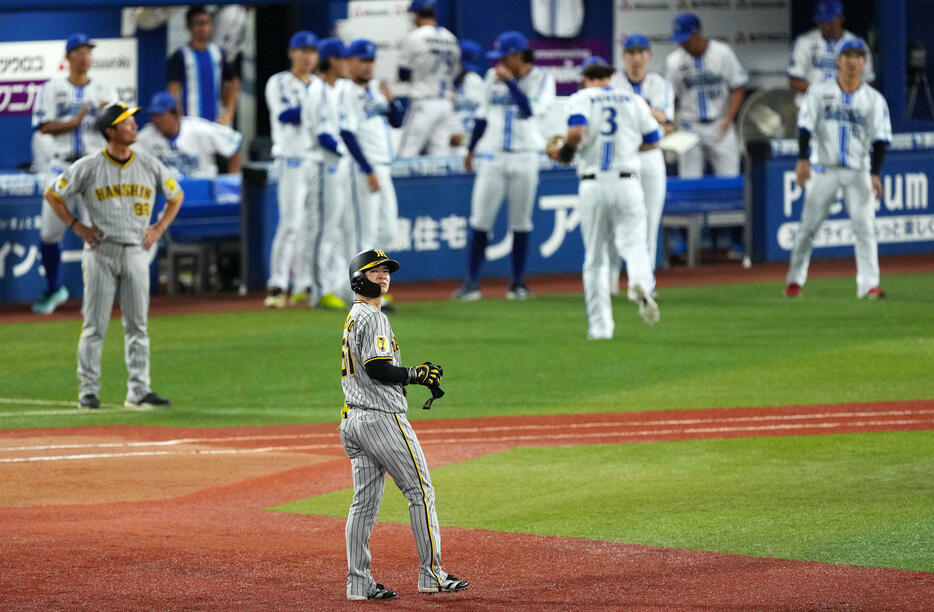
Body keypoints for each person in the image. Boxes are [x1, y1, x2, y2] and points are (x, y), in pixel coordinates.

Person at [339, 248, 469, 600]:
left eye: (386, 271)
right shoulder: (373, 317)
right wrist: (415, 374)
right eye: (374, 271)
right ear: (358, 278)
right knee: (420, 492)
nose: (383, 276)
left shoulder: (355, 316)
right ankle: (432, 574)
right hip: (381, 420)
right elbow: (378, 368)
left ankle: (359, 583)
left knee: (363, 504)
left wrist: (412, 375)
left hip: (353, 420)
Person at [43, 103, 184, 409]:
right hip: (100, 252)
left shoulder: (148, 164)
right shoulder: (90, 165)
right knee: (94, 325)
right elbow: (53, 194)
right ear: (111, 131)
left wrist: (159, 228)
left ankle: (139, 390)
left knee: (138, 325)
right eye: (126, 122)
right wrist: (76, 226)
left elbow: (176, 195)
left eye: (133, 122)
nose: (134, 126)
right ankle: (88, 390)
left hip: (136, 250)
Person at [548, 59, 661, 338]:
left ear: (585, 77)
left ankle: (601, 327)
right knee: (635, 246)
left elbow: (576, 132)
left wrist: (566, 153)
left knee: (596, 259)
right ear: (610, 76)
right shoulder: (633, 99)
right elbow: (654, 139)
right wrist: (629, 146)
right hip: (627, 181)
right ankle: (640, 285)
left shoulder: (581, 98)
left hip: (594, 183)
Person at [454, 30, 556, 301]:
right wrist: (471, 148)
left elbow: (529, 110)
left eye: (504, 56)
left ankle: (517, 284)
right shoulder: (492, 77)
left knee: (521, 221)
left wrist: (511, 83)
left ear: (518, 55)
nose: (498, 62)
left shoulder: (542, 79)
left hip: (525, 155)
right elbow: (482, 116)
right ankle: (472, 283)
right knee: (480, 219)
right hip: (493, 155)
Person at [785, 40, 891, 299]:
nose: (853, 61)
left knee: (865, 227)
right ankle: (795, 280)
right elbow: (805, 127)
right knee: (808, 227)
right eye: (848, 55)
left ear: (864, 63)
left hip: (858, 171)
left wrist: (875, 173)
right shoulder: (820, 92)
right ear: (838, 60)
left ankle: (869, 285)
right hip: (824, 169)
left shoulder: (873, 99)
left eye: (858, 56)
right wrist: (802, 160)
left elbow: (881, 139)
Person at [31, 33, 119, 315]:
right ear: (68, 57)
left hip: (95, 166)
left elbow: (121, 128)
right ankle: (55, 288)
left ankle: (104, 291)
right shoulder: (52, 87)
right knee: (49, 233)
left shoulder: (105, 88)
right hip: (62, 167)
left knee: (103, 230)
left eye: (88, 51)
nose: (84, 56)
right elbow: (42, 126)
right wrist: (74, 122)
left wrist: (109, 116)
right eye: (79, 51)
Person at [264, 31, 327, 309]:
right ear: (291, 53)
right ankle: (277, 283)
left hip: (316, 161)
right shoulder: (279, 82)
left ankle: (303, 284)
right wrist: (317, 112)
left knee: (311, 227)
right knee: (290, 224)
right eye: (302, 50)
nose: (307, 55)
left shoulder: (320, 85)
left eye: (312, 51)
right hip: (291, 160)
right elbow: (286, 114)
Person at [609, 34, 674, 294]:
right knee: (616, 219)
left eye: (641, 52)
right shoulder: (614, 82)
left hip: (650, 157)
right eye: (631, 52)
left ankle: (645, 282)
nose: (636, 57)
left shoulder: (659, 83)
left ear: (648, 55)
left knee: (649, 220)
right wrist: (648, 112)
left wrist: (638, 110)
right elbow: (654, 117)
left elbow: (665, 118)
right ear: (624, 56)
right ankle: (611, 281)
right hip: (621, 157)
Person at [665, 13, 748, 179]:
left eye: (686, 39)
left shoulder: (723, 53)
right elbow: (669, 97)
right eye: (680, 40)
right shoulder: (673, 61)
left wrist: (728, 119)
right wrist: (669, 124)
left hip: (720, 123)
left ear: (698, 33)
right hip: (689, 125)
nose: (683, 44)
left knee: (729, 178)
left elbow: (739, 87)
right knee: (689, 180)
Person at [344, 39, 406, 254]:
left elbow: (398, 121)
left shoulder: (376, 88)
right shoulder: (345, 91)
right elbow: (347, 134)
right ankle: (358, 287)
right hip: (363, 167)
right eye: (363, 60)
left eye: (371, 60)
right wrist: (367, 169)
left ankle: (360, 283)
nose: (368, 65)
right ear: (350, 62)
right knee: (366, 233)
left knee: (388, 231)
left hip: (383, 165)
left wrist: (391, 101)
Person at [316, 38, 354, 309]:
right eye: (342, 58)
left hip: (340, 166)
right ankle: (321, 288)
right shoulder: (316, 90)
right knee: (327, 229)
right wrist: (347, 150)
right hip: (324, 165)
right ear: (331, 61)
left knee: (341, 230)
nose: (347, 64)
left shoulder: (341, 89)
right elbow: (321, 134)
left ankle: (340, 286)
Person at [395, 0, 461, 157]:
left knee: (406, 154)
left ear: (417, 15)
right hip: (446, 103)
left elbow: (403, 73)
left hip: (424, 102)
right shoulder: (450, 38)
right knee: (440, 156)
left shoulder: (415, 36)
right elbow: (456, 74)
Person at [135, 91, 242, 178]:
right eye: (154, 116)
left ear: (175, 114)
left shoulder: (198, 129)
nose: (156, 120)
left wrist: (232, 180)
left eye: (161, 116)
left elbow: (234, 141)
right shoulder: (146, 136)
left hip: (202, 189)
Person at [167, 5, 238, 125]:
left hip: (215, 124)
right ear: (189, 27)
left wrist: (229, 112)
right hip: (190, 124)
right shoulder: (180, 56)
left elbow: (234, 81)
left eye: (207, 23)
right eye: (199, 23)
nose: (203, 28)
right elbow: (173, 92)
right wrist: (179, 122)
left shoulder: (218, 54)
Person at [787, 0, 875, 96]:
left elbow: (868, 81)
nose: (825, 26)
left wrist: (846, 93)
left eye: (829, 21)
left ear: (841, 18)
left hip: (847, 104)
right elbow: (794, 81)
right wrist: (823, 93)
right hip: (811, 103)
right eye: (821, 21)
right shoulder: (804, 42)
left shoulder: (857, 44)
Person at [448, 39, 486, 157]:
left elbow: (483, 118)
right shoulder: (446, 83)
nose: (465, 69)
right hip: (448, 143)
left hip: (471, 144)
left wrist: (466, 139)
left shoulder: (475, 81)